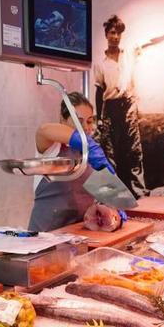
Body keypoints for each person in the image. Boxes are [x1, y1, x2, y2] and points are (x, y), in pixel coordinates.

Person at [27, 92, 121, 232]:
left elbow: (109, 197)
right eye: (78, 120)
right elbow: (43, 131)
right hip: (43, 238)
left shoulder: (90, 155)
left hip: (76, 237)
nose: (85, 126)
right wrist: (86, 143)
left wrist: (114, 210)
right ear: (63, 120)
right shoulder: (52, 147)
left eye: (89, 121)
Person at [94, 14, 148, 197]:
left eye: (118, 34)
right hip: (111, 107)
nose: (115, 37)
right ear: (106, 34)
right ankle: (113, 195)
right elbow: (99, 91)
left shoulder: (129, 55)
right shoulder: (100, 63)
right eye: (112, 33)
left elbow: (150, 41)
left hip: (129, 105)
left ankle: (140, 193)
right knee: (110, 151)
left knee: (134, 149)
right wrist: (100, 119)